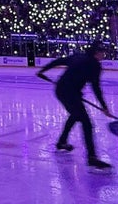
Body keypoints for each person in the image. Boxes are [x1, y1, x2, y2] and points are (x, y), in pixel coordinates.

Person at [36, 42, 112, 170]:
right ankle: (92, 157)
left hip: (62, 90)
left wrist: (42, 70)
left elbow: (58, 61)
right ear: (96, 53)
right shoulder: (95, 66)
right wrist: (104, 106)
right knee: (86, 123)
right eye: (102, 52)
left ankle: (62, 142)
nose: (104, 54)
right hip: (69, 93)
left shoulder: (78, 57)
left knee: (75, 115)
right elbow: (96, 88)